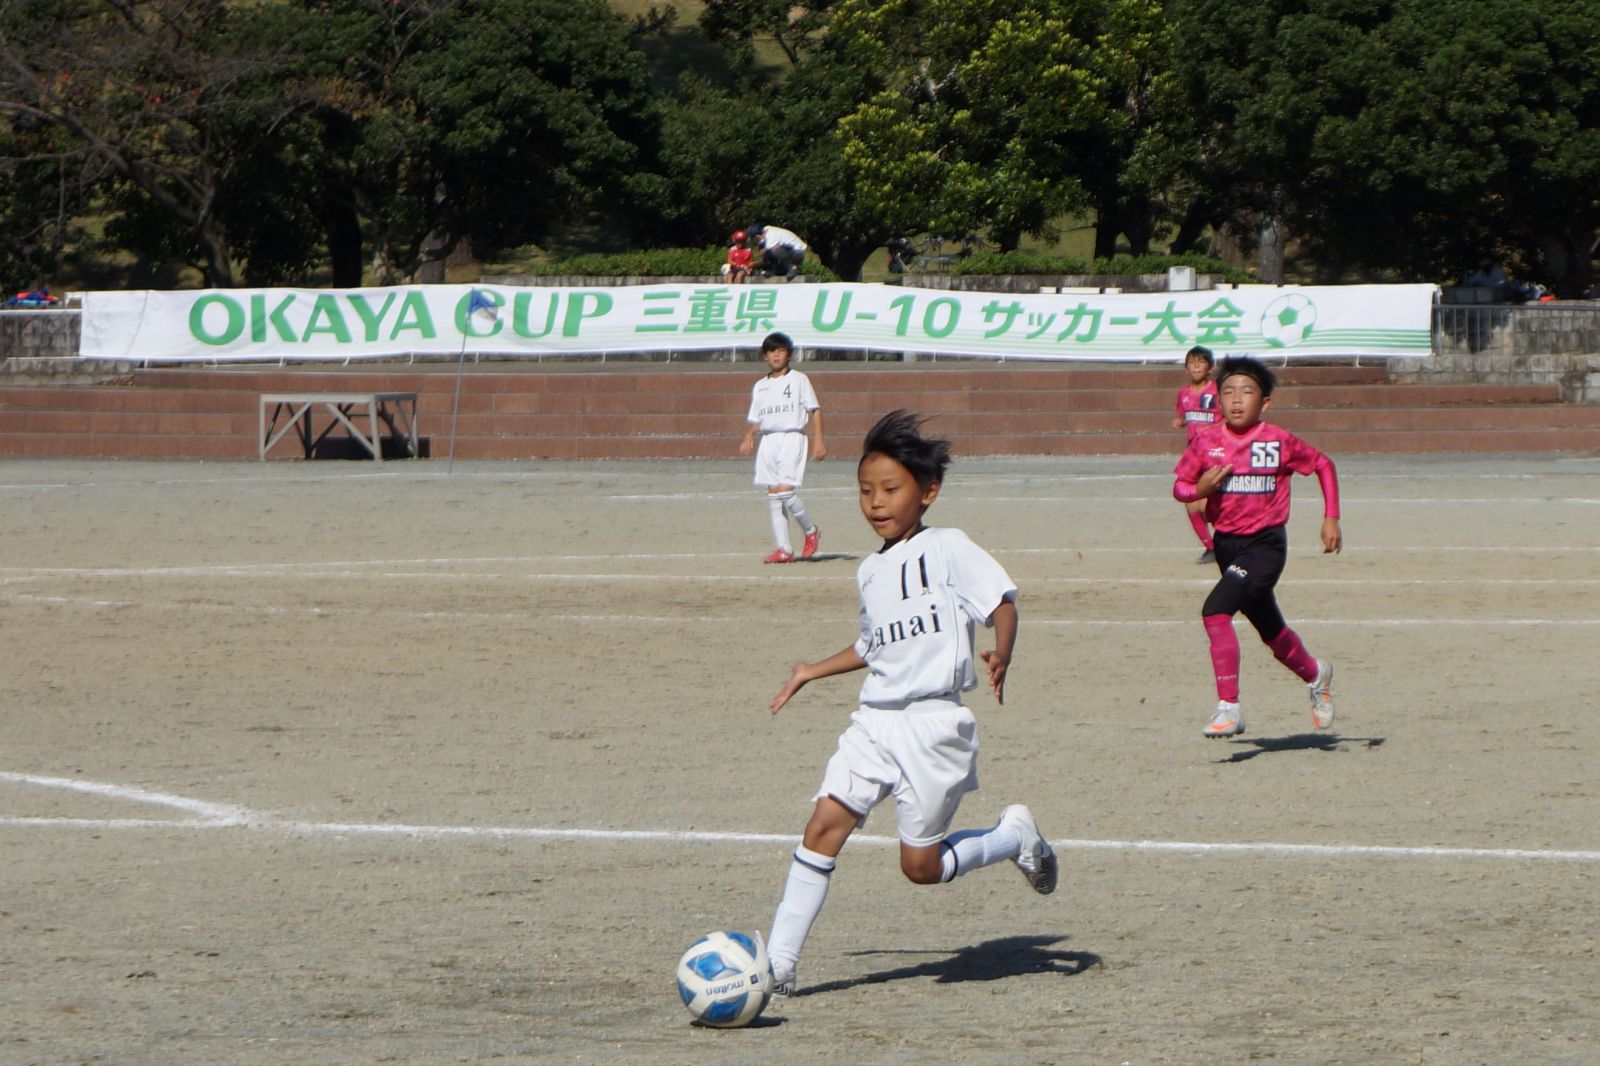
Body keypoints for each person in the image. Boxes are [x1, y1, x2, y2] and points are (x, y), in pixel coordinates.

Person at [763, 410, 1058, 996]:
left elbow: (1000, 601)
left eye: (890, 490)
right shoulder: (869, 572)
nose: (876, 503)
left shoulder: (949, 548)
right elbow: (872, 646)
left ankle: (1012, 836)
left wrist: (1002, 651)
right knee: (823, 824)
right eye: (865, 491)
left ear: (928, 492)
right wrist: (812, 671)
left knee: (920, 869)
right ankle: (778, 965)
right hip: (873, 722)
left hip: (933, 727)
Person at [1173, 356, 1342, 739]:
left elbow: (1323, 464)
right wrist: (1199, 491)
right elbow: (1180, 486)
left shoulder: (1277, 440)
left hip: (1265, 545)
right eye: (1228, 392)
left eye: (1246, 392)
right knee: (1272, 633)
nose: (1236, 400)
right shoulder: (1207, 441)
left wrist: (1331, 516)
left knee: (1215, 611)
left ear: (1264, 402)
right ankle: (1317, 675)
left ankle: (1229, 708)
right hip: (1227, 545)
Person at [739, 332, 826, 563]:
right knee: (774, 496)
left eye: (781, 351)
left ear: (788, 354)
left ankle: (810, 531)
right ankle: (784, 549)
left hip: (791, 438)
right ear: (765, 356)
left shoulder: (799, 379)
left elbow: (814, 410)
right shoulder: (760, 386)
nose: (776, 355)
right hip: (768, 441)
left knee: (786, 491)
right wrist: (749, 436)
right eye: (771, 351)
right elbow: (757, 417)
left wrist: (819, 440)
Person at [1171, 345, 1219, 564]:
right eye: (1192, 363)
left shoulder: (1217, 391)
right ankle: (1211, 548)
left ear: (1210, 367)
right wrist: (1180, 422)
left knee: (1214, 502)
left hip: (1216, 454)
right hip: (1194, 457)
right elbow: (1184, 416)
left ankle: (1229, 541)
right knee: (1191, 502)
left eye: (1201, 362)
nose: (1196, 366)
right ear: (1186, 368)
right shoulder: (1184, 394)